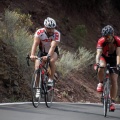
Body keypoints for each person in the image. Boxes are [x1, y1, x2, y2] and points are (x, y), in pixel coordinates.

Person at [30, 17, 60, 97]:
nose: (51, 30)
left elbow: (53, 47)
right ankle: (38, 89)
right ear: (45, 27)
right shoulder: (39, 32)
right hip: (42, 52)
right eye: (49, 28)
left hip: (53, 52)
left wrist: (48, 56)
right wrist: (32, 55)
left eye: (52, 28)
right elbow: (35, 44)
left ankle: (50, 79)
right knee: (37, 67)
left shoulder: (56, 34)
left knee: (51, 61)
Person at [94, 25, 120, 111]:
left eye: (108, 36)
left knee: (114, 80)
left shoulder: (117, 40)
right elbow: (98, 53)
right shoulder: (101, 41)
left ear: (112, 34)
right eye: (105, 37)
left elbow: (119, 54)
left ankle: (112, 102)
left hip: (114, 58)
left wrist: (118, 64)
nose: (106, 38)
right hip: (104, 57)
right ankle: (101, 83)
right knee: (101, 66)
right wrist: (97, 63)